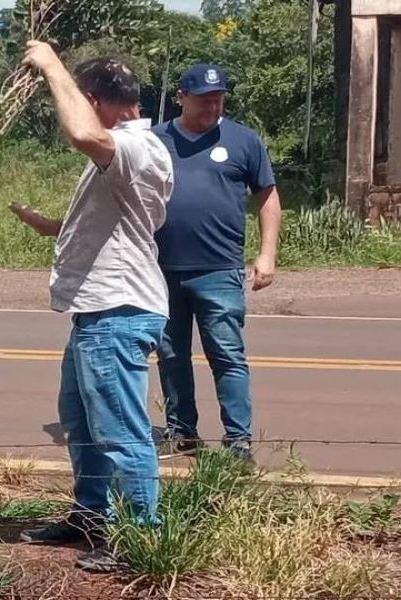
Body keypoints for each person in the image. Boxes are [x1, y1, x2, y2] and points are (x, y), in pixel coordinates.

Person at [8, 43, 174, 573]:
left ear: (96, 99)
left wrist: (52, 64)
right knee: (81, 424)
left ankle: (140, 538)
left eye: (83, 97)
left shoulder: (134, 145)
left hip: (118, 310)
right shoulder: (125, 151)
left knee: (120, 431)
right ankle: (93, 516)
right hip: (99, 309)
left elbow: (83, 134)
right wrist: (50, 227)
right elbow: (114, 223)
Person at [152, 64, 282, 465]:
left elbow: (268, 197)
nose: (212, 106)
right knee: (171, 355)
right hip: (160, 269)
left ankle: (238, 441)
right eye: (204, 99)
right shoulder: (154, 141)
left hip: (219, 270)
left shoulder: (243, 141)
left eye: (218, 99)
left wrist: (267, 254)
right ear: (181, 97)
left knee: (226, 356)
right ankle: (181, 432)